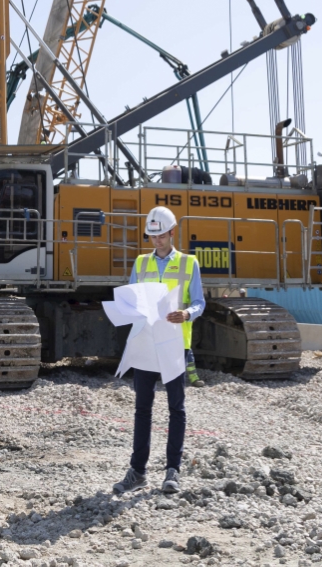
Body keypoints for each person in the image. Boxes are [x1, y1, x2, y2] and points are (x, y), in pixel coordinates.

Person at [112, 206, 206, 497]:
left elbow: (200, 302)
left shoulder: (189, 264)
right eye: (152, 236)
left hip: (175, 345)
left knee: (176, 409)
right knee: (143, 409)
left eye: (161, 235)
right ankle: (137, 472)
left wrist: (187, 313)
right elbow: (132, 300)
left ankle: (172, 472)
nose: (156, 241)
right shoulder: (140, 264)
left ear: (172, 232)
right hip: (146, 343)